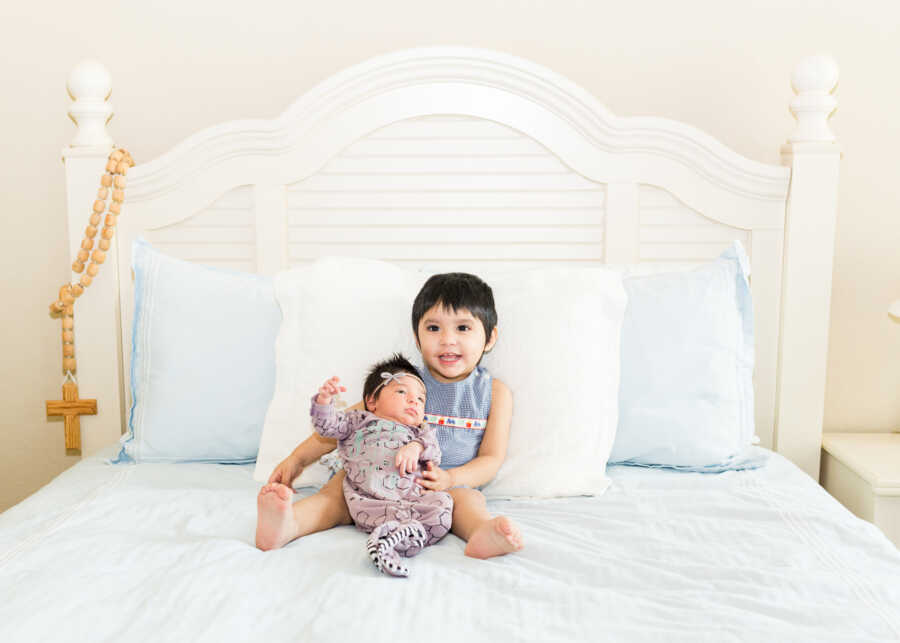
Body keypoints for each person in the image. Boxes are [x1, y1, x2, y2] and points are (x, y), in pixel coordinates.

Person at [256, 272, 523, 559]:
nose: (447, 340)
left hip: (433, 488)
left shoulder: (494, 392)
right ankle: (288, 524)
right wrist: (297, 460)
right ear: (417, 339)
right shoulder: (404, 383)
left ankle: (483, 532)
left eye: (462, 328)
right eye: (433, 328)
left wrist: (449, 478)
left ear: (490, 337)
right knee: (335, 494)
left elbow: (491, 459)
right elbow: (346, 425)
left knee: (468, 501)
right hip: (370, 480)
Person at [310, 354, 451, 577]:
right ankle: (391, 537)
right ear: (372, 401)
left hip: (413, 499)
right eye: (402, 392)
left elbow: (435, 453)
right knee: (371, 512)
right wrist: (324, 402)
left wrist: (415, 446)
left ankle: (393, 540)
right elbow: (328, 427)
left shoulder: (421, 432)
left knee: (443, 506)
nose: (414, 401)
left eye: (421, 399)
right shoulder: (358, 421)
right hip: (369, 500)